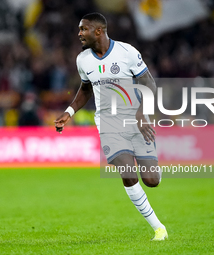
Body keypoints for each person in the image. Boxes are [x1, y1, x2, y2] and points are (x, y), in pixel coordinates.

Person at [54, 12, 168, 241]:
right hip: (108, 123)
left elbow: (149, 84)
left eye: (83, 29)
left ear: (98, 31)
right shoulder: (83, 60)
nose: (79, 34)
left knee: (151, 180)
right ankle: (159, 229)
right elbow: (86, 89)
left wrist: (141, 113)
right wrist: (69, 112)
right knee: (127, 172)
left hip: (137, 121)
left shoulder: (127, 53)